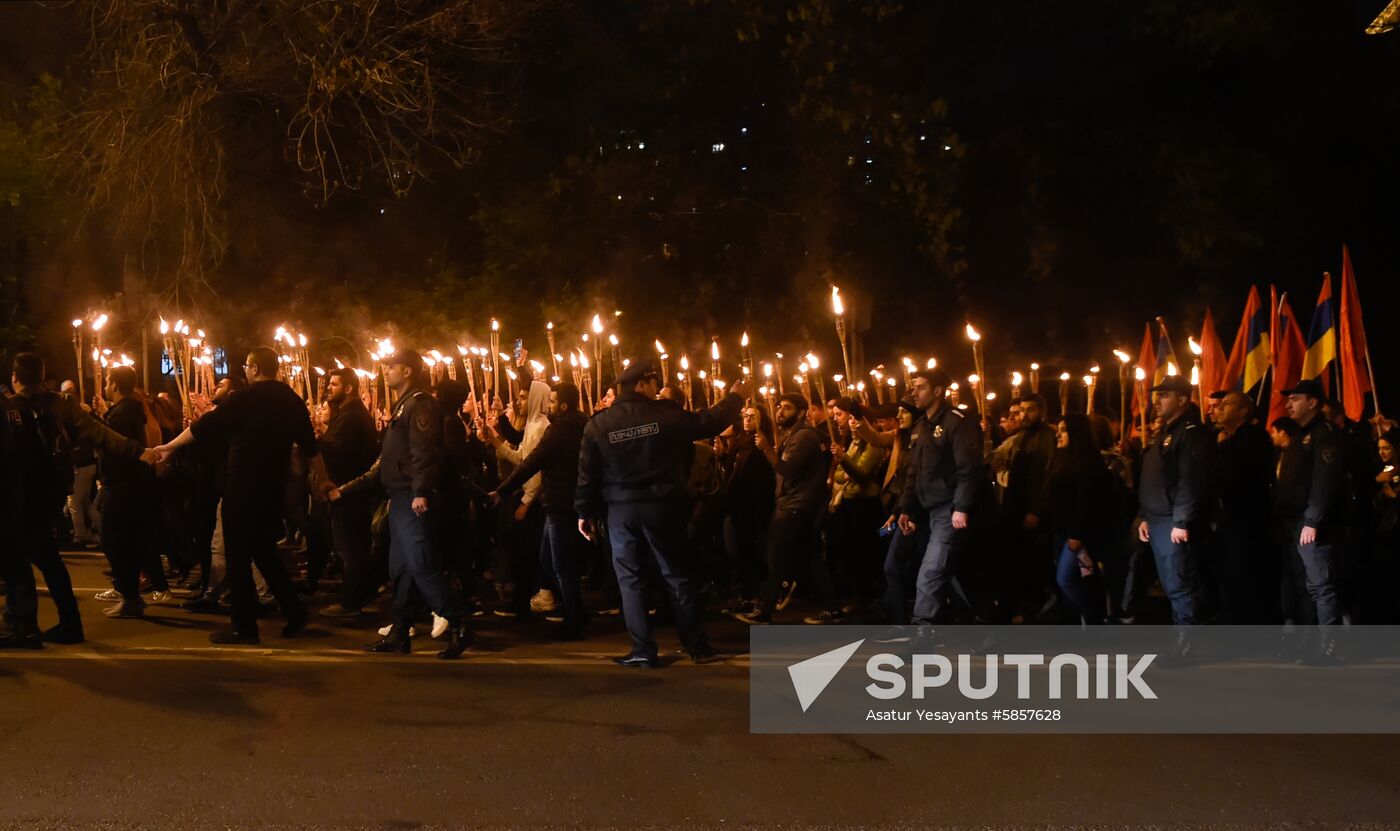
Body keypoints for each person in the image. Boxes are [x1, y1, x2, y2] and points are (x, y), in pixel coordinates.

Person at [575, 358, 749, 667]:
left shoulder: (599, 424)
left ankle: (643, 649)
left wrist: (583, 512)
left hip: (621, 509)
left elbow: (587, 475)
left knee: (630, 580)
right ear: (640, 385)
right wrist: (736, 397)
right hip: (662, 507)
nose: (658, 386)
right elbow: (707, 422)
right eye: (654, 381)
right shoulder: (666, 415)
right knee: (677, 575)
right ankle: (697, 646)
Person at [154, 346, 332, 645]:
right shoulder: (291, 400)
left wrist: (168, 447)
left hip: (242, 486)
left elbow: (203, 427)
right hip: (273, 488)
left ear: (254, 368)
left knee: (237, 557)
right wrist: (324, 480)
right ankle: (294, 610)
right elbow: (311, 447)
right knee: (263, 551)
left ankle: (244, 627)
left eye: (247, 365)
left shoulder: (245, 399)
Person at [0, 353, 155, 648]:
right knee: (48, 560)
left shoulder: (8, 409)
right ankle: (69, 623)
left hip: (15, 495)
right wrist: (139, 451)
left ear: (15, 377)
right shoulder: (62, 404)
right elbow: (100, 433)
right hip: (49, 493)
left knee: (16, 561)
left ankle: (22, 625)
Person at [337, 349, 472, 658]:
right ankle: (400, 631)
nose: (386, 370)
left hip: (412, 496)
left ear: (408, 371)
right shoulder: (405, 405)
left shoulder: (420, 403)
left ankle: (459, 623)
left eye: (391, 366)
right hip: (399, 495)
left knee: (421, 563)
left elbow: (423, 451)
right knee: (401, 568)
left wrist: (421, 490)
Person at [490, 382, 588, 638]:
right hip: (561, 501)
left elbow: (530, 463)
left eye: (553, 402)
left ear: (563, 405)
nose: (549, 406)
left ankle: (573, 621)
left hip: (559, 503)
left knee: (561, 564)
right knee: (547, 559)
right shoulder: (581, 425)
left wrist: (502, 490)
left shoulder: (559, 431)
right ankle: (576, 607)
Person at [734, 392, 841, 625]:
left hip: (795, 505)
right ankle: (833, 608)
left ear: (801, 413)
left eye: (788, 408)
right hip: (798, 504)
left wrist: (766, 449)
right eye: (780, 407)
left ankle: (765, 610)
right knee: (812, 558)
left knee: (775, 557)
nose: (780, 411)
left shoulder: (803, 436)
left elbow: (787, 469)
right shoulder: (796, 434)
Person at [896, 368, 988, 629]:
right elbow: (915, 472)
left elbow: (969, 468)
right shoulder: (921, 427)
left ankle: (923, 630)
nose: (914, 392)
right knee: (956, 570)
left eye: (921, 387)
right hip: (929, 510)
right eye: (914, 387)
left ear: (938, 391)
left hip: (949, 509)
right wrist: (906, 508)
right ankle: (988, 620)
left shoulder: (957, 422)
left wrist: (960, 507)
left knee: (931, 570)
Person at [1275, 379, 1348, 655]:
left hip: (1312, 524)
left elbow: (1323, 482)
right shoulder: (1300, 435)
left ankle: (1329, 646)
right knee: (1304, 585)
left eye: (1295, 398)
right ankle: (1310, 642)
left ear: (1313, 402)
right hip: (1294, 522)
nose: (1288, 404)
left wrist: (1312, 520)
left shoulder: (1323, 434)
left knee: (1321, 585)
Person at [1135, 375, 1210, 634]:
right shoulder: (1167, 432)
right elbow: (1158, 478)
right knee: (1171, 583)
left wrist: (1181, 521)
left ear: (1182, 399)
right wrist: (1146, 515)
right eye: (1157, 394)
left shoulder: (1188, 433)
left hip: (1172, 522)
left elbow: (1190, 481)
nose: (1157, 400)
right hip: (1158, 519)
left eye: (1165, 395)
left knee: (1180, 584)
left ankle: (1188, 642)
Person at [1025, 414, 1116, 624]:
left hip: (1078, 535)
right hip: (1062, 530)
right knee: (1075, 578)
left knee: (1066, 578)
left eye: (1064, 430)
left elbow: (1086, 501)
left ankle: (1096, 617)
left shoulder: (1087, 463)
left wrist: (1077, 534)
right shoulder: (1064, 459)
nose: (1058, 434)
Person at [94, 366, 163, 618]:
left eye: (107, 381)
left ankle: (130, 597)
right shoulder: (128, 411)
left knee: (115, 541)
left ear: (113, 385)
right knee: (126, 541)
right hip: (130, 484)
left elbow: (117, 448)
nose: (104, 386)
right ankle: (130, 596)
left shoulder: (123, 414)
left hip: (122, 484)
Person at [316, 368, 381, 617]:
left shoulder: (352, 417)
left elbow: (338, 454)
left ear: (349, 388)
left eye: (334, 384)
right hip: (346, 491)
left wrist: (317, 441)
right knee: (350, 546)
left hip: (349, 493)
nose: (329, 388)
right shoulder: (345, 415)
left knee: (351, 548)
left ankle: (351, 601)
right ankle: (360, 590)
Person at [1209, 391, 1275, 622]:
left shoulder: (1253, 438)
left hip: (1247, 521)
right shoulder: (1226, 439)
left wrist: (1224, 447)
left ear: (1243, 411)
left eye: (1226, 405)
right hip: (1229, 520)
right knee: (1229, 575)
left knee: (1246, 576)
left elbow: (1238, 476)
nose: (1219, 409)